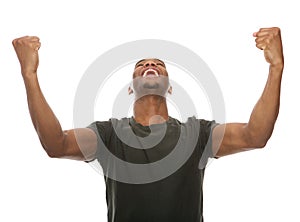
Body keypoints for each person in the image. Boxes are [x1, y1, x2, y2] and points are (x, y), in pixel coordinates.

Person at [12, 27, 284, 222]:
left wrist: (276, 68)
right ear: (131, 88)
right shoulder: (109, 135)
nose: (150, 64)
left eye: (158, 64)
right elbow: (55, 144)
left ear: (170, 88)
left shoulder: (198, 133)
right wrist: (29, 74)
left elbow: (255, 135)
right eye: (141, 65)